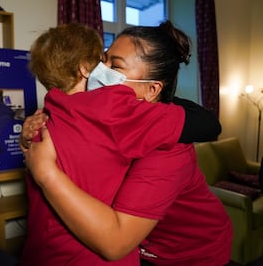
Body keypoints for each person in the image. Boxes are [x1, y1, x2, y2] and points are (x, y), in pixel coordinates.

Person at [21, 22, 232, 266]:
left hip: (187, 255)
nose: (100, 70)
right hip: (136, 245)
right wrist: (31, 132)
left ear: (152, 89)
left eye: (115, 65)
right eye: (104, 60)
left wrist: (45, 171)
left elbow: (115, 242)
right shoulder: (94, 114)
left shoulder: (169, 148)